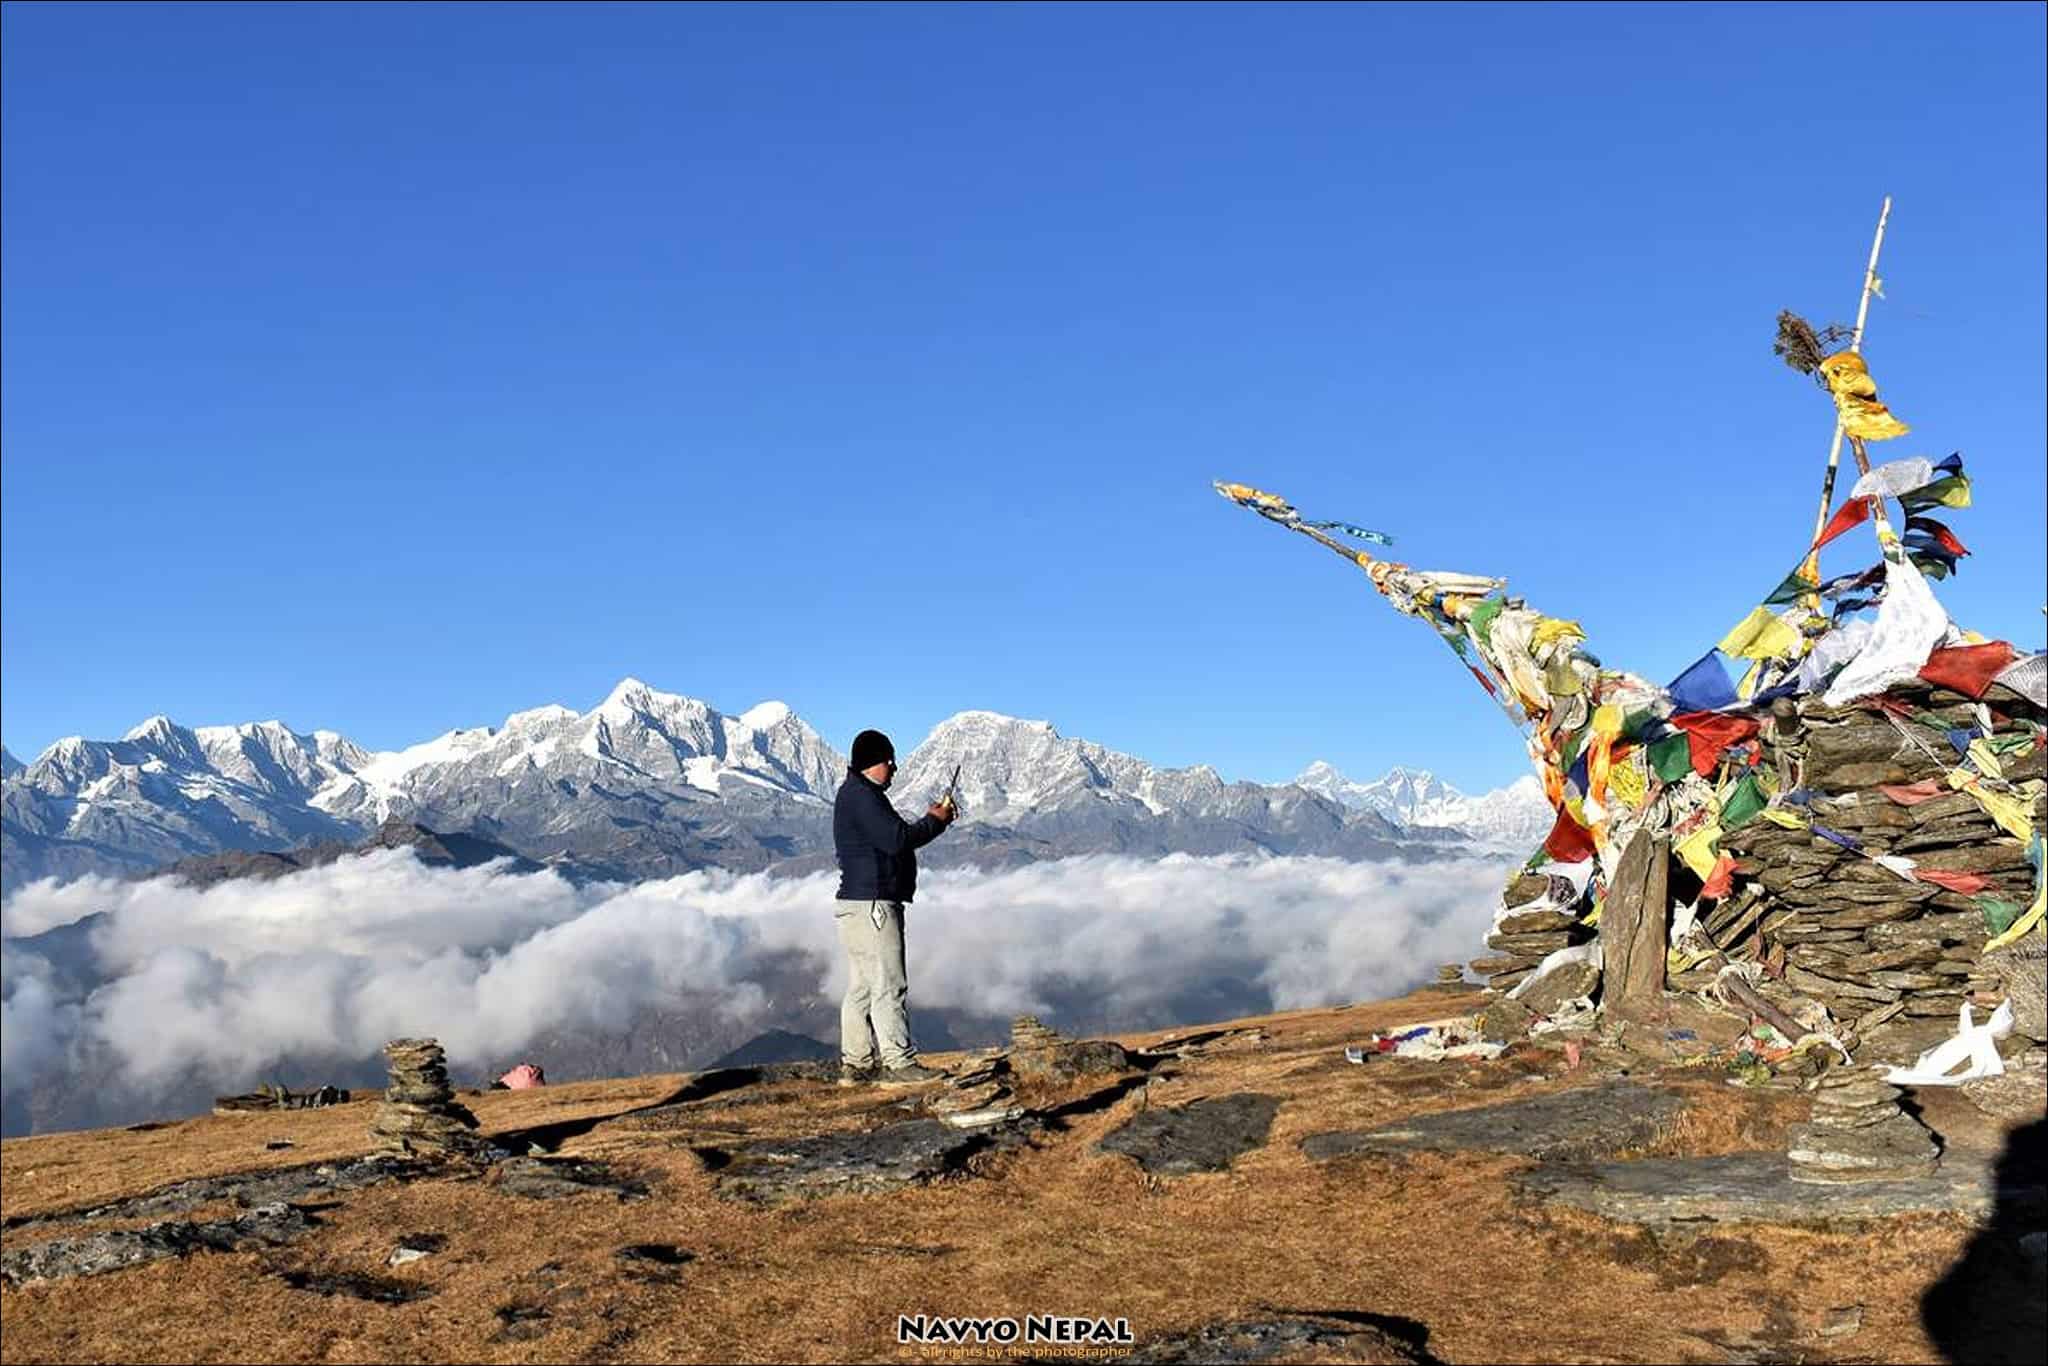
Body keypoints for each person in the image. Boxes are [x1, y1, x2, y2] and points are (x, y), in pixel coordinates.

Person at [832, 728, 957, 1086]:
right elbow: (896, 839)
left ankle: (855, 1065)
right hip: (874, 906)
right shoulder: (863, 796)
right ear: (876, 762)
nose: (894, 767)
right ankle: (898, 1064)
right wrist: (936, 821)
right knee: (889, 984)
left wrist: (933, 821)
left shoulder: (853, 794)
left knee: (862, 987)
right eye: (889, 761)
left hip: (854, 906)